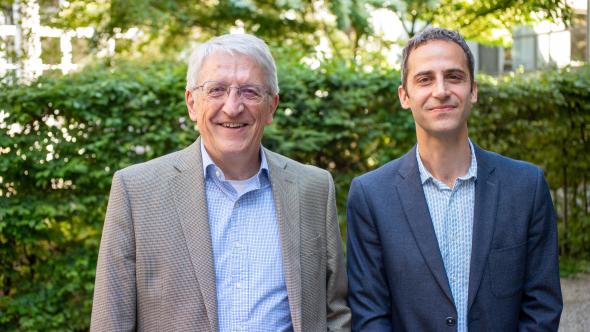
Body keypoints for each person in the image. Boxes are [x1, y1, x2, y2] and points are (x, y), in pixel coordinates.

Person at [91, 33, 351, 331]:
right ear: (192, 103)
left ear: (272, 107)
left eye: (250, 92)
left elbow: (335, 310)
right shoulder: (136, 191)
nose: (232, 107)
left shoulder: (314, 189)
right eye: (216, 90)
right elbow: (111, 320)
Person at [346, 27, 562, 331]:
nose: (441, 90)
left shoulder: (527, 187)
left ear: (473, 89)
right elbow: (370, 316)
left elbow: (542, 307)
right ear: (404, 96)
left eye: (454, 77)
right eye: (424, 79)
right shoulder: (371, 196)